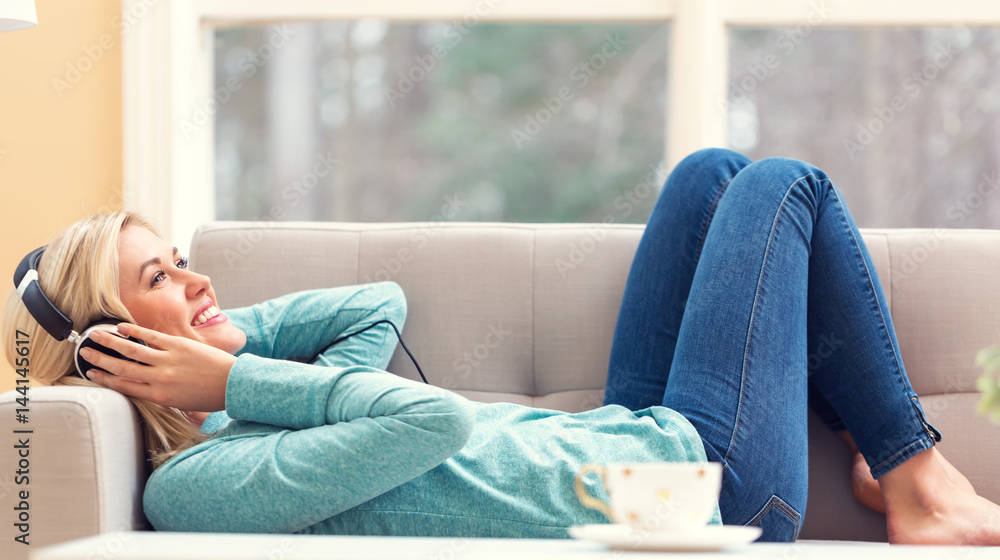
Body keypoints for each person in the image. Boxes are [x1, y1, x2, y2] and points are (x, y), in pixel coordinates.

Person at [4, 148, 1000, 545]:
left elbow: (372, 305)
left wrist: (224, 352)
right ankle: (916, 475)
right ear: (112, 345)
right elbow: (428, 419)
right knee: (787, 184)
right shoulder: (201, 485)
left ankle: (885, 452)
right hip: (706, 487)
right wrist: (232, 376)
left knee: (708, 175)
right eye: (161, 280)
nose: (199, 280)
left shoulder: (254, 401)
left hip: (634, 441)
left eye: (182, 259)